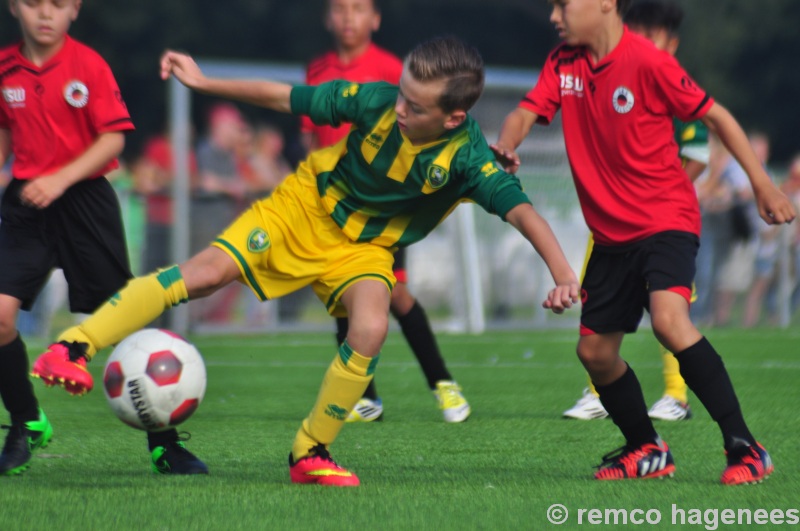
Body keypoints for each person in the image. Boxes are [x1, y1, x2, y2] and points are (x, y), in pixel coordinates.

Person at [33, 35, 580, 486]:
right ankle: (70, 348)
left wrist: (562, 277)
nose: (399, 108)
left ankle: (309, 452)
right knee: (202, 277)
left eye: (414, 106)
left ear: (454, 116)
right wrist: (204, 82)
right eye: (401, 95)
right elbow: (285, 97)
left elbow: (523, 212)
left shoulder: (468, 159)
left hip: (364, 249)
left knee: (369, 327)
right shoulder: (375, 101)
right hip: (304, 209)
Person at [491, 0, 794, 484]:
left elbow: (718, 118)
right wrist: (508, 146)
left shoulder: (649, 62)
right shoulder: (563, 63)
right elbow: (525, 114)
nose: (554, 16)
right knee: (594, 354)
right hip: (610, 236)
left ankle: (745, 447)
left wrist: (762, 184)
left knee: (670, 323)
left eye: (563, 5)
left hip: (666, 220)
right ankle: (647, 448)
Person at [0, 0, 204, 477]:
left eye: (57, 4)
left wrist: (61, 180)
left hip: (86, 204)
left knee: (122, 321)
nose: (44, 14)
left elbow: (113, 140)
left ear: (75, 8)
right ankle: (26, 422)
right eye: (33, 3)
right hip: (26, 205)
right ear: (14, 8)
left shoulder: (88, 65)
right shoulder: (5, 68)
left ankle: (164, 443)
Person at [304, 0, 471, 423]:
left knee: (394, 293)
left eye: (358, 9)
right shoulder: (317, 69)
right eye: (340, 9)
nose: (348, 17)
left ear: (375, 19)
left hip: (383, 203)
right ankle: (365, 398)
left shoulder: (392, 69)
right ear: (326, 18)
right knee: (344, 293)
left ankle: (443, 384)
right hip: (333, 203)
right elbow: (311, 134)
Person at [562, 0, 707, 422]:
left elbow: (698, 153)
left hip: (661, 224)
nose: (644, 42)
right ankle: (595, 393)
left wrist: (657, 196)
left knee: (669, 314)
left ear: (672, 44)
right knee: (596, 311)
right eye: (637, 33)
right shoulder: (605, 74)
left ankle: (676, 395)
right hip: (610, 224)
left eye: (653, 36)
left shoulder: (670, 81)